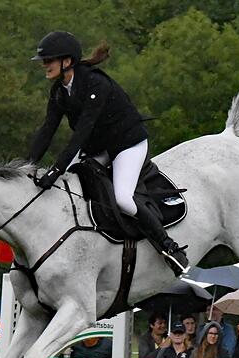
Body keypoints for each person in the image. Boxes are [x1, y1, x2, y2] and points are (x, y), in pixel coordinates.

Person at [27, 30, 188, 276]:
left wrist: (55, 170)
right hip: (99, 147)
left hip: (127, 144)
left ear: (67, 61)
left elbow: (81, 133)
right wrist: (26, 166)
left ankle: (169, 247)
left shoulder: (95, 84)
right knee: (70, 188)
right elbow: (47, 130)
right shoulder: (59, 91)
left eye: (49, 60)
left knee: (123, 198)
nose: (45, 66)